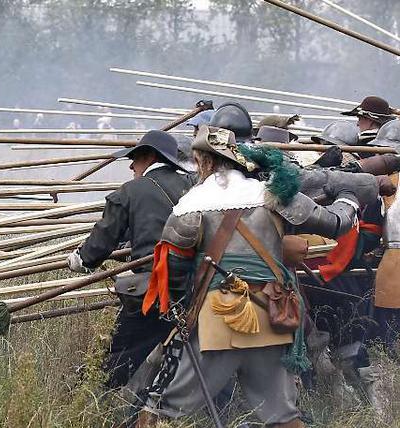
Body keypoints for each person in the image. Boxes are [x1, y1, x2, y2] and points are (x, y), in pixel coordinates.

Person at [137, 126, 378, 427]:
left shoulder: (190, 206)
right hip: (273, 314)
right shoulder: (274, 196)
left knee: (164, 409)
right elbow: (337, 223)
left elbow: (172, 271)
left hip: (218, 320)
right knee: (284, 417)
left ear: (203, 162)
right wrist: (348, 195)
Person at [66, 130, 193, 389]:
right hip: (194, 291)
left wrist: (80, 259)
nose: (131, 165)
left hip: (156, 294)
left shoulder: (132, 190)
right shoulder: (192, 187)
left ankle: (83, 402)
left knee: (113, 360)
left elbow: (102, 241)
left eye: (135, 158)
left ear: (149, 156)